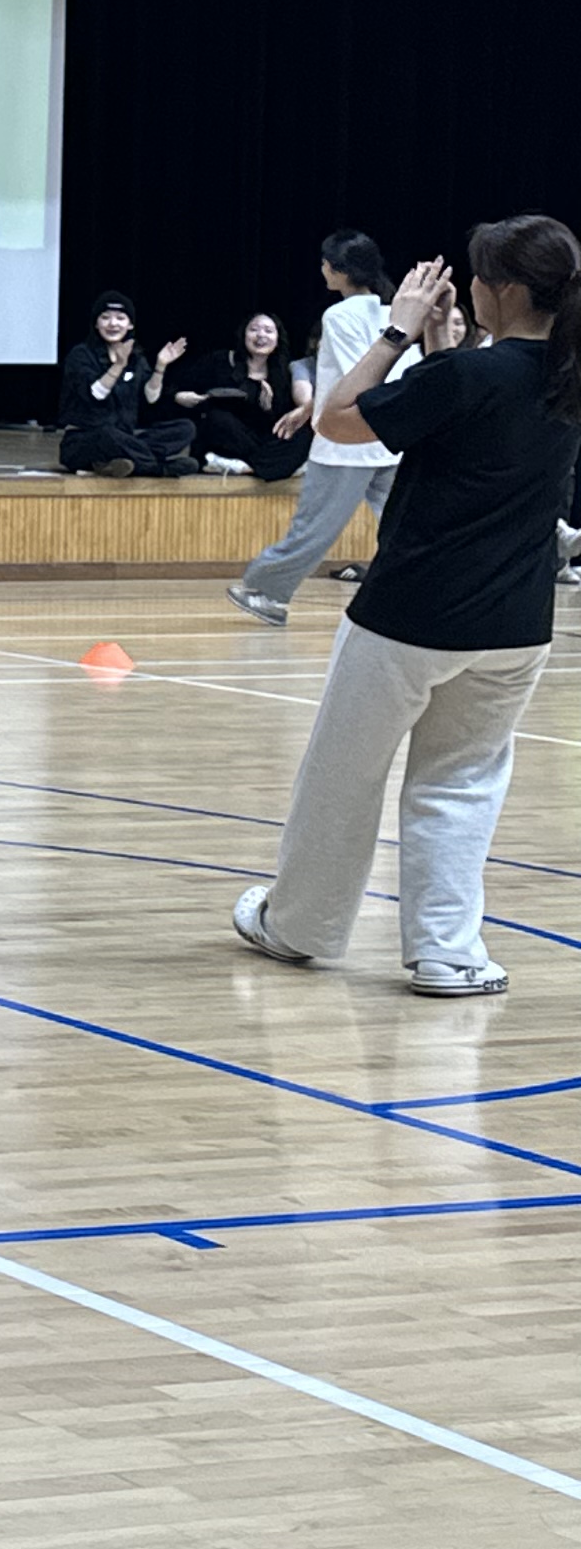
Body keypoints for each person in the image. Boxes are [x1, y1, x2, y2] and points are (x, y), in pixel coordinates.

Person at [232, 221, 581, 1001]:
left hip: (410, 616)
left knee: (343, 778)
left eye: (480, 276)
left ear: (504, 289)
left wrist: (397, 331)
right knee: (462, 786)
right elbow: (471, 411)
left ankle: (300, 927)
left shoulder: (466, 375)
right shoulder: (561, 375)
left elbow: (339, 418)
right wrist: (445, 344)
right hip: (515, 625)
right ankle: (448, 953)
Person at [233, 232, 408, 626]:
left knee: (314, 527)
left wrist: (319, 411)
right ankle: (425, 593)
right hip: (388, 441)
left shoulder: (340, 316)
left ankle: (266, 592)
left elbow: (356, 378)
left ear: (340, 271)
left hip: (345, 442)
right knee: (404, 525)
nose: (323, 269)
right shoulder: (393, 314)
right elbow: (388, 375)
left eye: (326, 263)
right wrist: (310, 408)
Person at [58, 294, 196, 476]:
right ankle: (157, 468)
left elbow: (150, 398)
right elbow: (95, 395)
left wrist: (161, 366)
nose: (113, 324)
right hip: (85, 440)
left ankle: (117, 464)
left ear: (130, 325)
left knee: (185, 428)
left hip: (125, 439)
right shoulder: (81, 355)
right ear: (96, 324)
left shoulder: (136, 358)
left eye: (120, 318)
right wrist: (118, 366)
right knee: (108, 435)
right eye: (105, 317)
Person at [177, 310, 311, 481]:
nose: (261, 335)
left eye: (268, 331)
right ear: (243, 335)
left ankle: (247, 467)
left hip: (262, 440)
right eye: (254, 329)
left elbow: (279, 423)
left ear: (278, 339)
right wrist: (180, 397)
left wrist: (267, 409)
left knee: (303, 431)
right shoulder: (221, 360)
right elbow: (179, 387)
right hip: (228, 436)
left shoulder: (283, 372)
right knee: (217, 419)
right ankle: (276, 466)